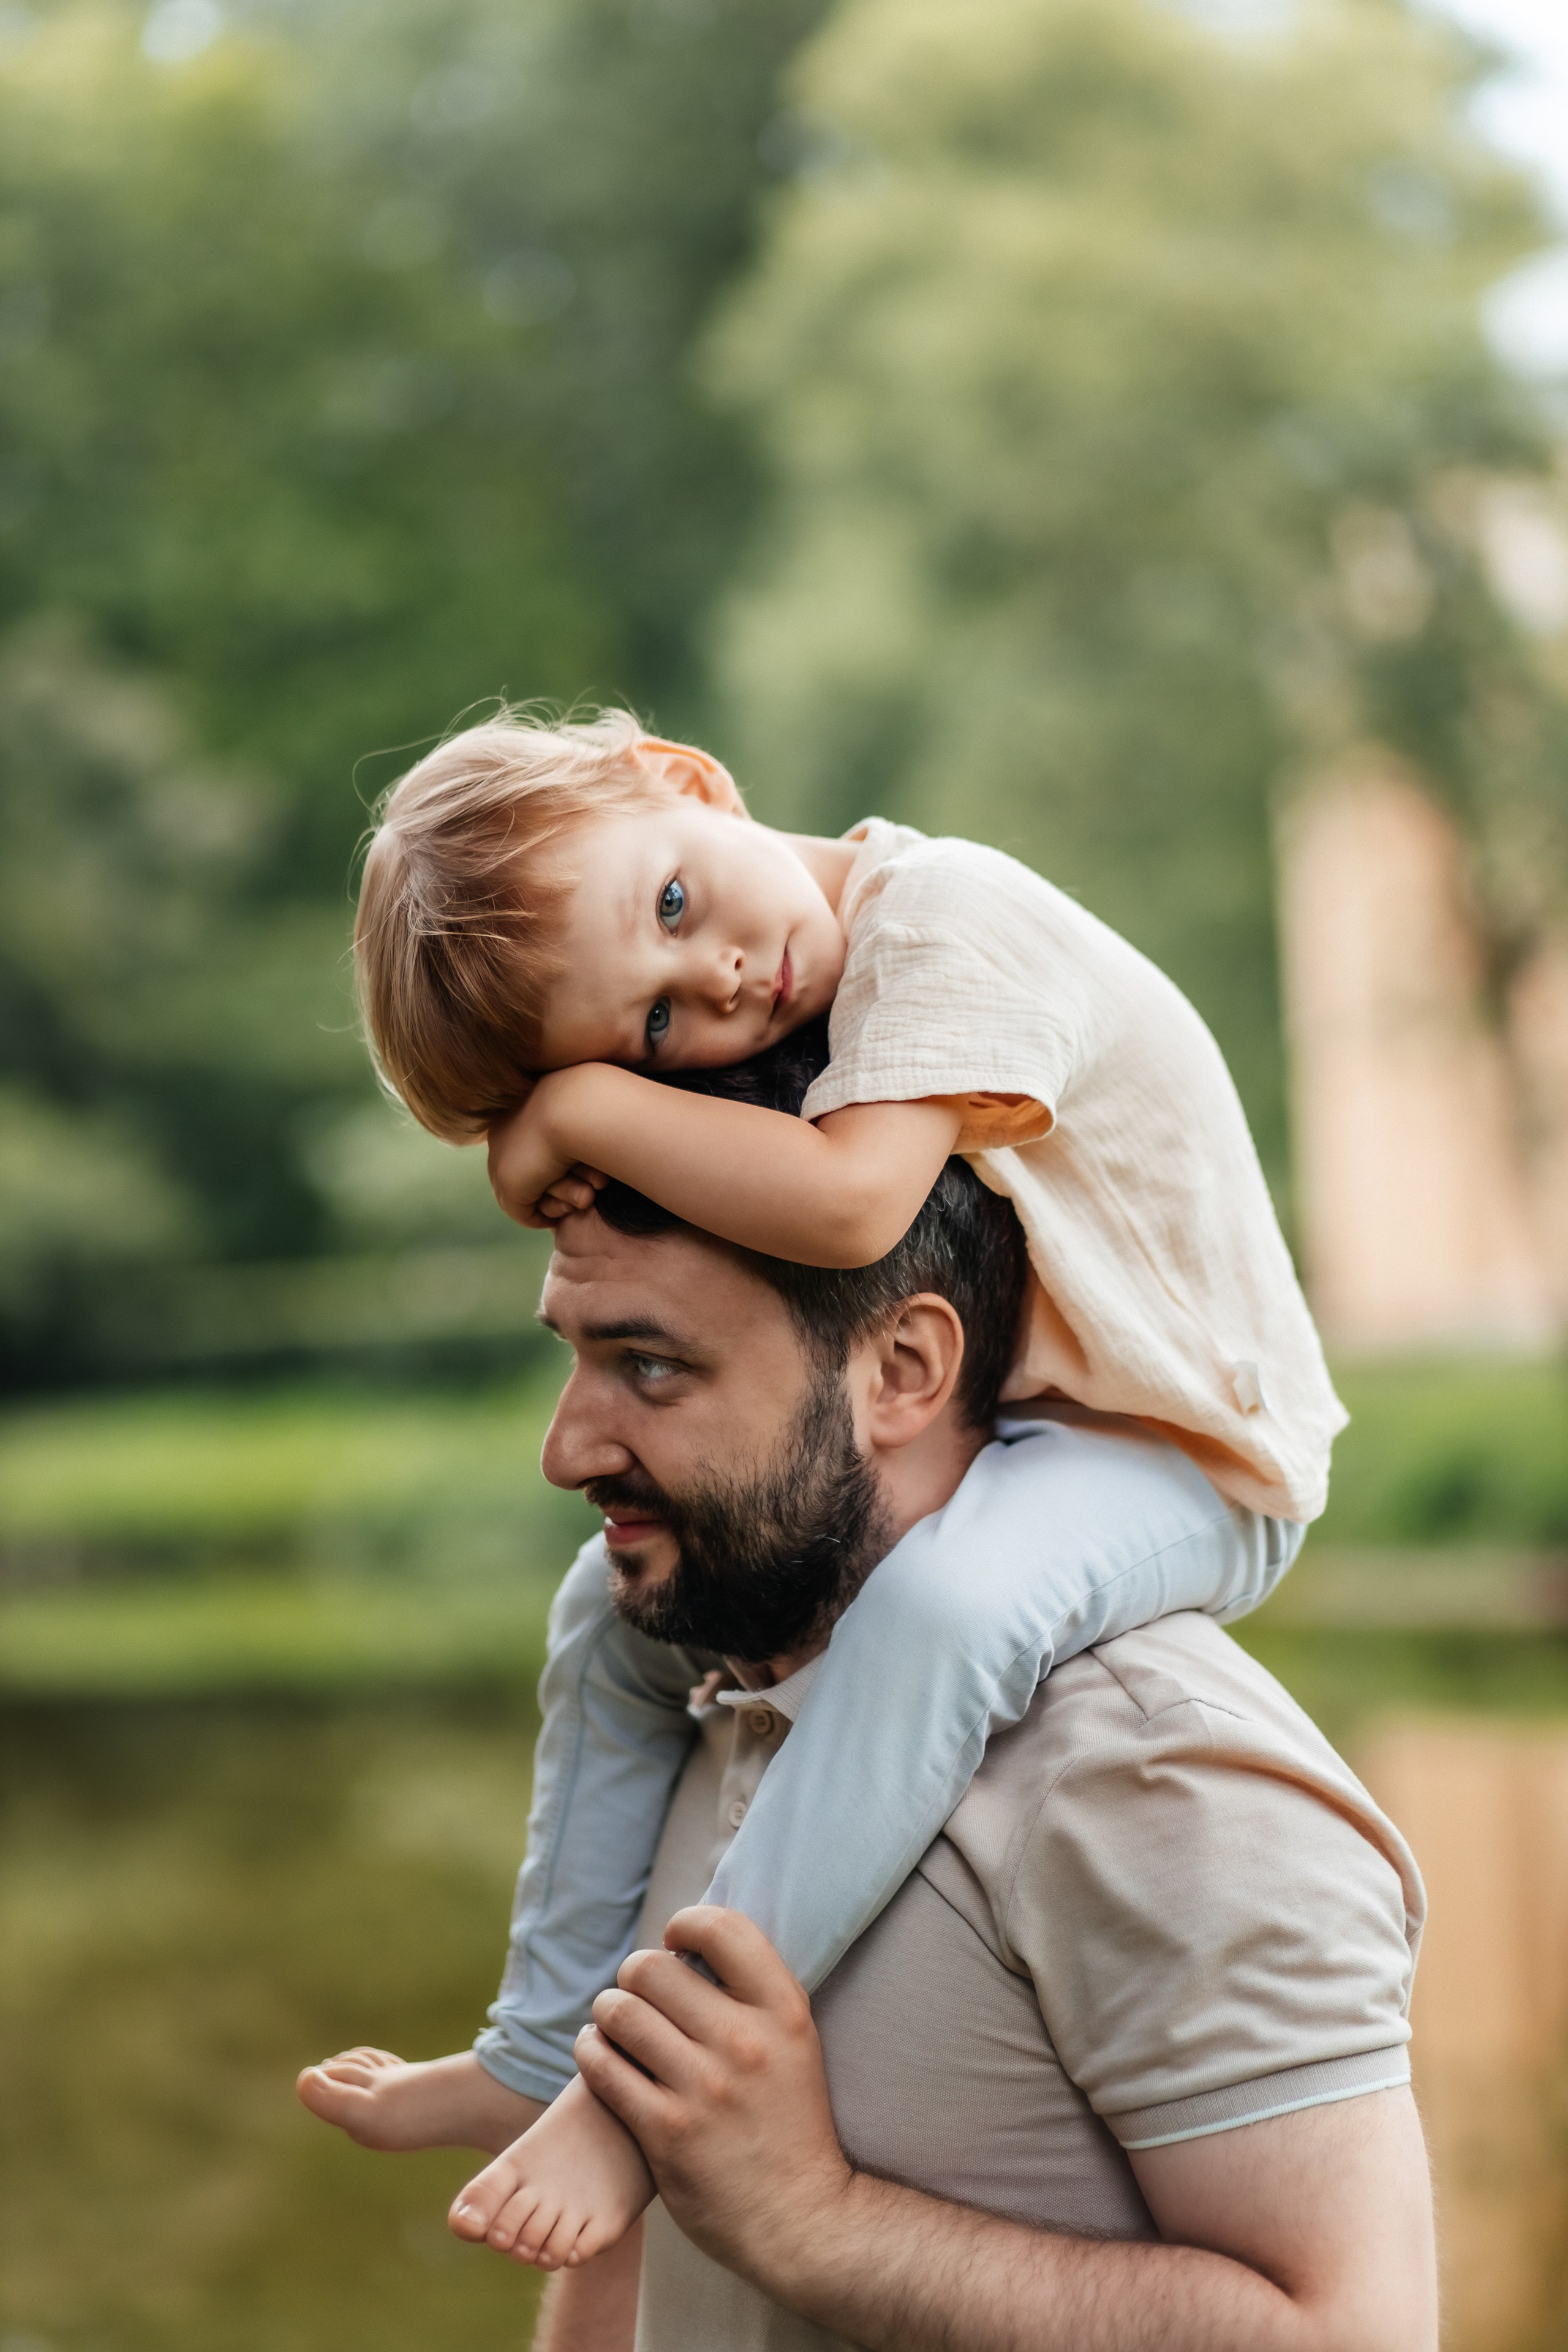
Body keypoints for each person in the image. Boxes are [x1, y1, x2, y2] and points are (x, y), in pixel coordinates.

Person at [318, 707, 1344, 2260]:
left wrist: (588, 1105)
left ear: (682, 778)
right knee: (606, 1606)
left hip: (1189, 1450)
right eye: (653, 1028)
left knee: (937, 1613)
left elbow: (857, 1206)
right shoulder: (802, 995)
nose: (717, 980)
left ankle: (642, 2090)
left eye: (669, 904)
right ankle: (539, 2049)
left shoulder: (947, 921)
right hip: (1033, 1421)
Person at [306, 1126, 1433, 2351]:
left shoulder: (1151, 1774)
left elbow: (1353, 2334)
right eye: (578, 1358)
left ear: (901, 1368)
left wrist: (807, 2217)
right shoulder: (711, 1679)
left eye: (652, 1367)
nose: (565, 1449)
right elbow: (625, 2214)